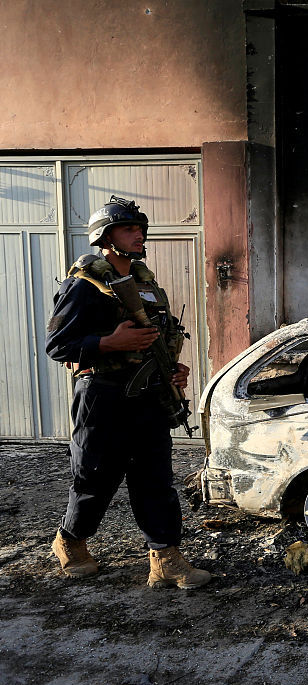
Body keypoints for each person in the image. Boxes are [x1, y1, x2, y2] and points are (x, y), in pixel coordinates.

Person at [45, 196, 211, 589]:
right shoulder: (84, 286)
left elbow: (162, 337)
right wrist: (108, 342)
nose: (138, 234)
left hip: (149, 396)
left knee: (156, 480)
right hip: (102, 397)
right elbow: (58, 345)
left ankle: (165, 558)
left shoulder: (146, 284)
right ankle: (70, 541)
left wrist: (173, 370)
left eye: (140, 228)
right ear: (106, 237)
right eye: (128, 228)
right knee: (95, 479)